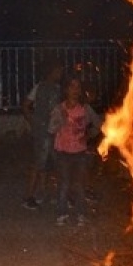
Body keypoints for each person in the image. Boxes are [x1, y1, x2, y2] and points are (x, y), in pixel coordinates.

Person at [49, 72, 102, 226]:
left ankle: (80, 213)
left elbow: (98, 124)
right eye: (72, 86)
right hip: (63, 153)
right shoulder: (59, 109)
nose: (75, 89)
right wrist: (62, 121)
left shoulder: (85, 109)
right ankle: (62, 213)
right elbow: (51, 129)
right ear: (65, 90)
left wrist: (89, 135)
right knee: (64, 184)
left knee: (79, 184)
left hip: (80, 153)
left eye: (78, 86)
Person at [21, 58, 64, 209]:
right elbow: (26, 104)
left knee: (49, 163)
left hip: (54, 131)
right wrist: (33, 122)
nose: (60, 73)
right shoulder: (40, 87)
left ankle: (42, 193)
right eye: (58, 70)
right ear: (51, 72)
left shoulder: (58, 89)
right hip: (42, 132)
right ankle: (28, 196)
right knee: (38, 163)